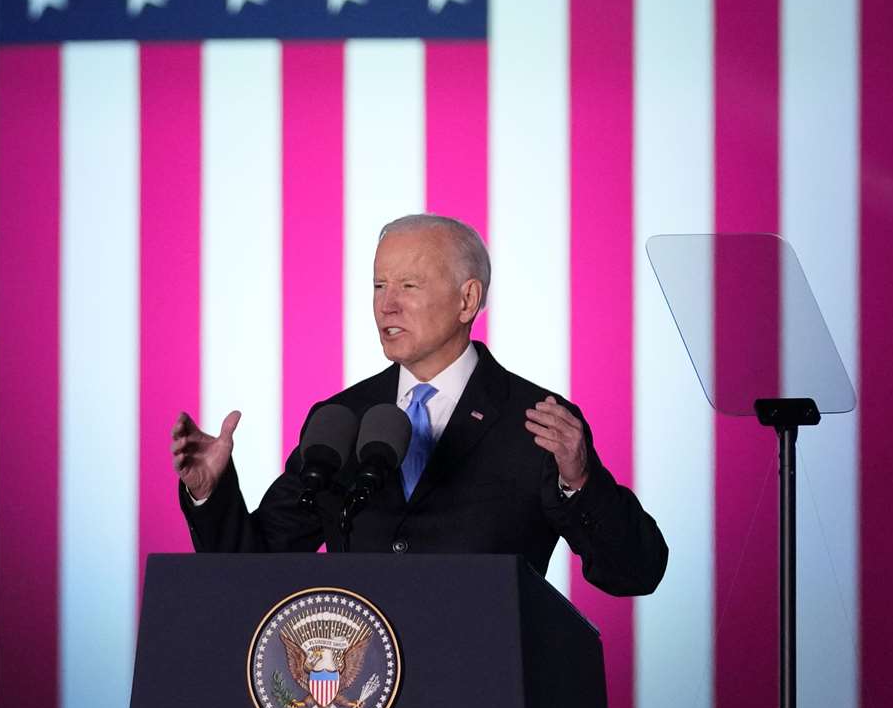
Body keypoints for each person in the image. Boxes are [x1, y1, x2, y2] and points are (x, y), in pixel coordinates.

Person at [170, 214, 668, 596]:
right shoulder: (340, 420)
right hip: (359, 703)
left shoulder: (536, 421)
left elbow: (636, 571)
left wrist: (580, 483)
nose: (386, 304)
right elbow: (251, 567)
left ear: (467, 300)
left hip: (486, 702)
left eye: (408, 286)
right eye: (378, 285)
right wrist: (210, 495)